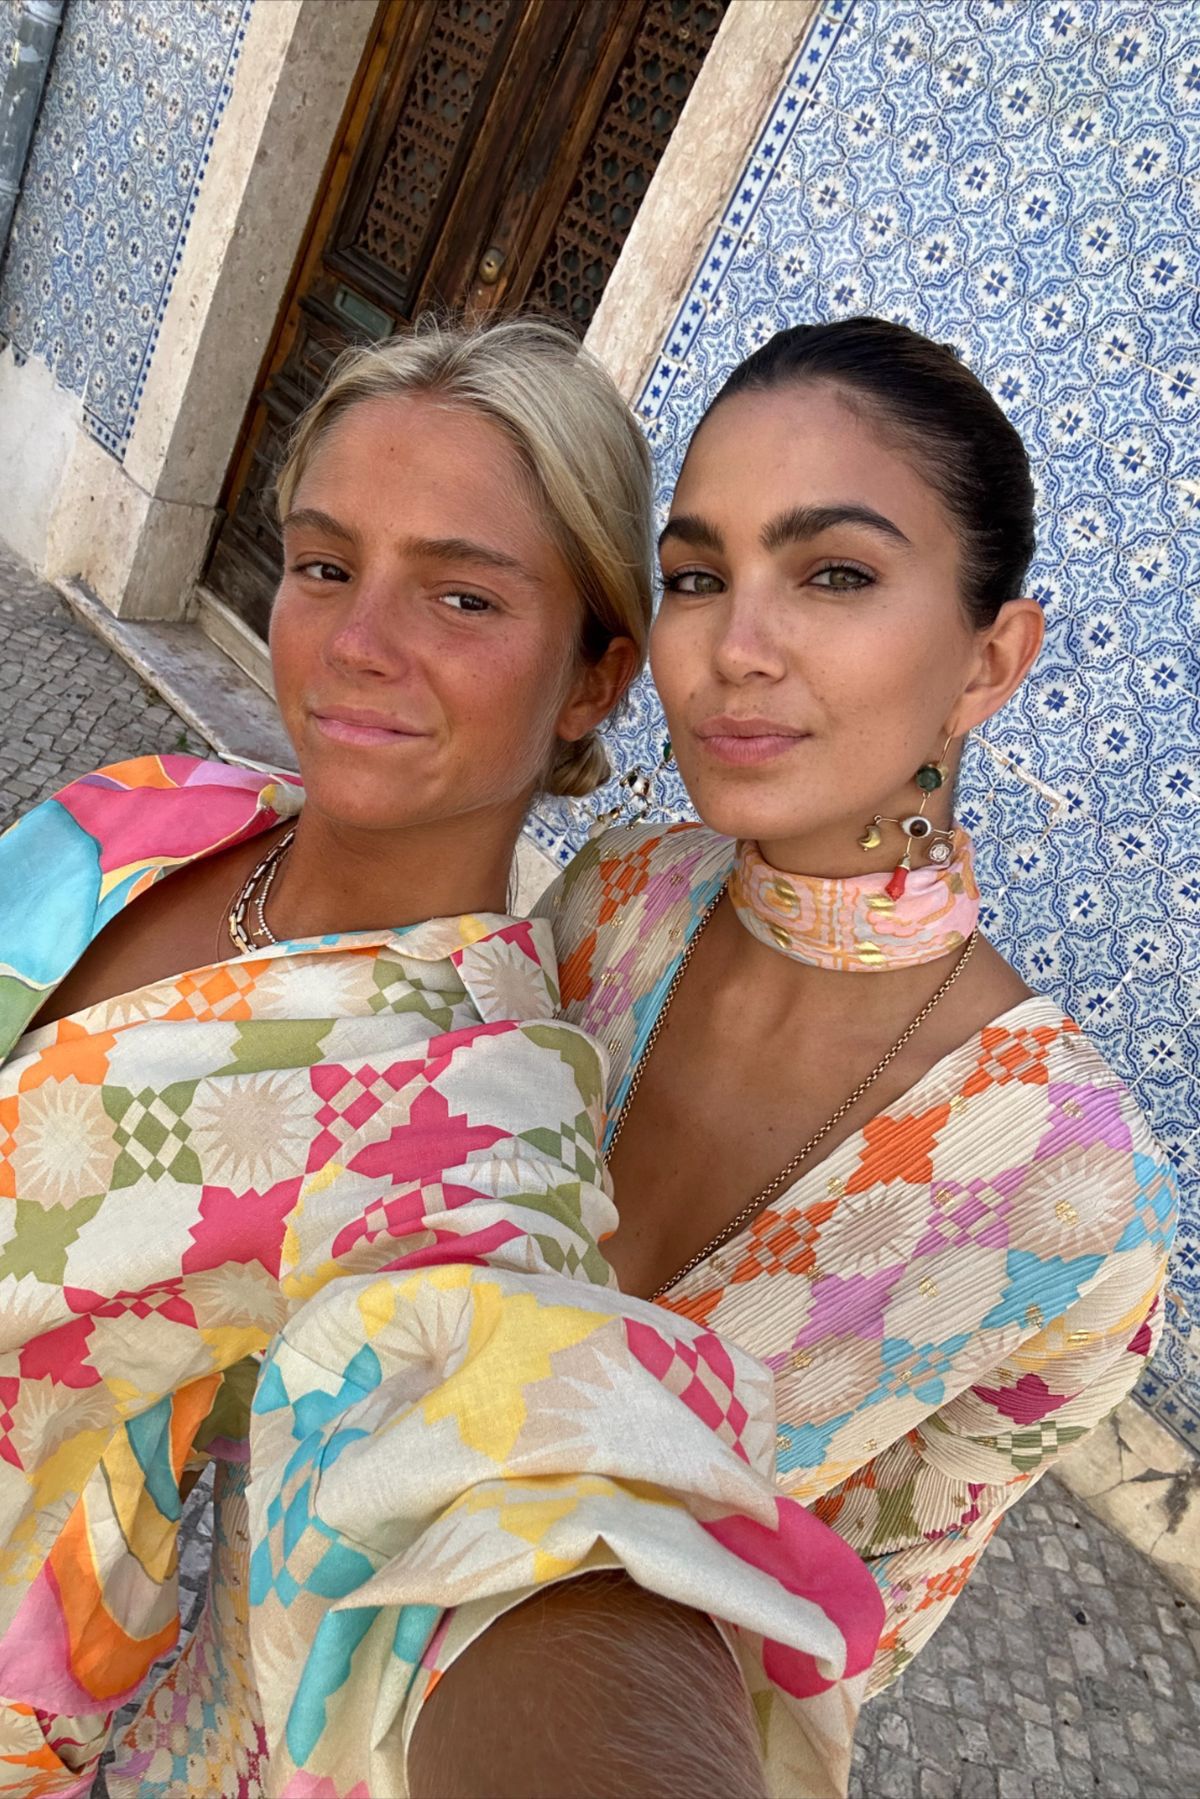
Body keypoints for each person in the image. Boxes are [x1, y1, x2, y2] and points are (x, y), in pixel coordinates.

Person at [0, 320, 883, 1799]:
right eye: (324, 565)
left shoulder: (471, 1124)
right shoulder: (152, 805)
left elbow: (506, 1460)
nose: (356, 641)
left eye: (463, 596)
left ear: (595, 678)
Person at [542, 316, 1176, 1695]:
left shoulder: (1070, 1196)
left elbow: (825, 1655)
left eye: (835, 572)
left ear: (989, 662)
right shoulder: (611, 903)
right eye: (696, 576)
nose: (734, 647)